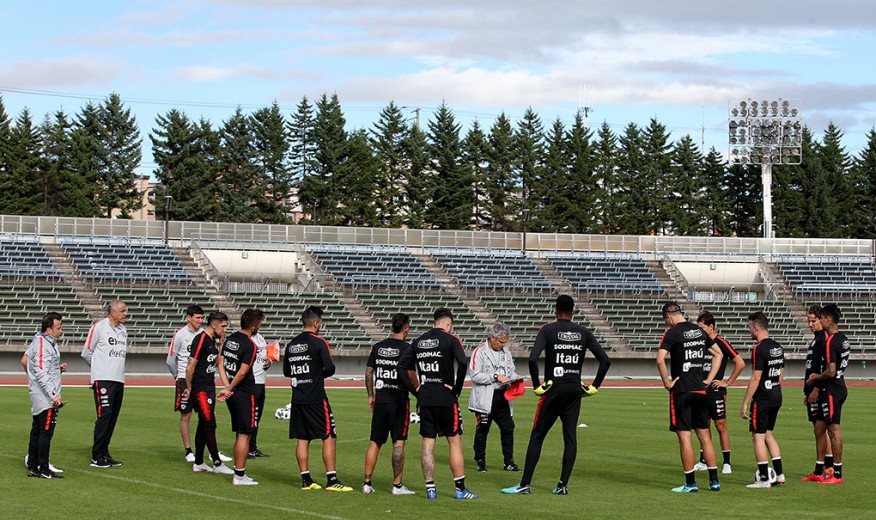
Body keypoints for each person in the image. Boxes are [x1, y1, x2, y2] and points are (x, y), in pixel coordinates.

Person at [503, 295, 611, 496]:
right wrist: (594, 386)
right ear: (573, 312)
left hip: (553, 390)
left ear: (555, 310)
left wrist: (537, 385)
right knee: (570, 437)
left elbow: (533, 359)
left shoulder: (548, 329)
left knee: (537, 436)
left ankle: (525, 484)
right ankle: (562, 485)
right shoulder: (583, 332)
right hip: (574, 391)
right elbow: (605, 361)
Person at [400, 307, 477, 500]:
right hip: (445, 397)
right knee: (455, 442)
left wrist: (415, 390)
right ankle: (460, 489)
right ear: (448, 324)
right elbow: (463, 363)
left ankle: (430, 489)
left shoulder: (418, 341)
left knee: (427, 444)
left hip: (425, 398)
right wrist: (457, 389)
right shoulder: (451, 339)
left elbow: (402, 366)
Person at [655, 302, 723, 493]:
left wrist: (667, 382)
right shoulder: (699, 331)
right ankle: (714, 482)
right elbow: (718, 354)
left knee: (685, 437)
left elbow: (660, 359)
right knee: (705, 437)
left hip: (682, 391)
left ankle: (691, 483)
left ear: (668, 317)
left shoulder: (672, 333)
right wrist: (709, 379)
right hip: (701, 390)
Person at [284, 306, 353, 492]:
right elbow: (330, 368)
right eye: (320, 322)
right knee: (329, 436)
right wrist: (316, 373)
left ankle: (306, 480)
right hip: (316, 397)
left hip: (298, 397)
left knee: (303, 437)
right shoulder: (319, 342)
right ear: (316, 323)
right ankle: (332, 480)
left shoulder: (291, 344)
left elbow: (286, 371)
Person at [362, 313, 416, 495]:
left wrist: (371, 395)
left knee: (374, 442)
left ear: (392, 327)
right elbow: (410, 375)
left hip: (381, 398)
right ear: (406, 329)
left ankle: (367, 483)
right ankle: (397, 485)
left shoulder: (378, 347)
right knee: (398, 442)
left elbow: (369, 373)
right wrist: (419, 393)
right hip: (399, 400)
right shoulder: (407, 349)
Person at [693, 311, 745, 475]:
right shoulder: (699, 343)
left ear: (711, 327)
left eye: (702, 328)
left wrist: (727, 382)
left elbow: (740, 362)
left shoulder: (721, 343)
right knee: (703, 425)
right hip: (701, 390)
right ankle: (702, 461)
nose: (700, 331)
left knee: (720, 425)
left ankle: (727, 462)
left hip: (716, 391)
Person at [217, 308, 263, 486]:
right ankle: (239, 475)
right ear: (253, 326)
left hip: (233, 392)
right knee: (245, 434)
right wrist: (230, 387)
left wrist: (227, 387)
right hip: (244, 393)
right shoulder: (250, 344)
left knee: (240, 433)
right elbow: (243, 372)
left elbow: (220, 363)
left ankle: (239, 473)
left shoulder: (231, 339)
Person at [806, 303, 850, 485]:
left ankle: (836, 474)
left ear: (828, 319)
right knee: (819, 429)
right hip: (835, 387)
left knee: (834, 431)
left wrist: (815, 379)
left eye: (821, 318)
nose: (820, 322)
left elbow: (831, 371)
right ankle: (820, 470)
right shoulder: (843, 338)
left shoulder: (831, 340)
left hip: (832, 389)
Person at [185, 312, 233, 475]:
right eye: (223, 326)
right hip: (200, 389)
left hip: (209, 388)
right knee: (209, 423)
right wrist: (189, 388)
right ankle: (217, 462)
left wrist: (221, 342)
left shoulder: (213, 340)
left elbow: (219, 363)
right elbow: (190, 366)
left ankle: (199, 462)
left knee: (203, 424)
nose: (225, 329)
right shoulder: (201, 339)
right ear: (214, 324)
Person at [741, 311, 785, 488]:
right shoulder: (778, 347)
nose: (749, 331)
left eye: (750, 327)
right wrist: (774, 385)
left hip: (763, 397)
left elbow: (756, 378)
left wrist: (745, 402)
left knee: (757, 437)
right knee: (768, 434)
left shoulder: (759, 348)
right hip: (776, 393)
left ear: (756, 327)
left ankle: (764, 479)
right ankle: (779, 474)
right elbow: (781, 373)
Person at [469, 321, 520, 473]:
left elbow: (511, 370)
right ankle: (480, 461)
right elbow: (475, 375)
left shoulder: (506, 352)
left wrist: (515, 378)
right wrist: (496, 376)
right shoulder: (479, 352)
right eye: (501, 341)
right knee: (483, 429)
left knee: (508, 428)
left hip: (502, 396)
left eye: (505, 342)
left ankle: (508, 462)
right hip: (486, 397)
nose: (503, 345)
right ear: (492, 338)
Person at [82, 300, 128, 469]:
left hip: (118, 379)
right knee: (105, 415)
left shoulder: (123, 330)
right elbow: (86, 353)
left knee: (112, 417)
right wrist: (97, 372)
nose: (125, 314)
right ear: (112, 312)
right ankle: (96, 455)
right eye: (122, 311)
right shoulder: (99, 327)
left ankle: (104, 452)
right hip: (103, 379)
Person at [25, 312, 67, 479]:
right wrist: (53, 395)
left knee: (37, 431)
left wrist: (58, 369)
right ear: (49, 330)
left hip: (40, 394)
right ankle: (43, 468)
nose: (61, 330)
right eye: (59, 327)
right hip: (45, 396)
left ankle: (34, 467)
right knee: (45, 432)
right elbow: (41, 371)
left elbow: (40, 366)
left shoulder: (44, 342)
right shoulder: (43, 343)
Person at [166, 305, 205, 462]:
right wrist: (178, 376)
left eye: (202, 318)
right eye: (197, 318)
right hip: (184, 378)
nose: (200, 321)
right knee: (186, 415)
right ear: (188, 318)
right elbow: (170, 360)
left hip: (201, 379)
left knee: (208, 415)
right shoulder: (180, 335)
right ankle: (188, 450)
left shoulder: (204, 334)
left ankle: (209, 448)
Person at [801, 305, 834, 482]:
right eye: (809, 321)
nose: (811, 324)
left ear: (822, 320)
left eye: (813, 321)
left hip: (820, 392)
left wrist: (815, 389)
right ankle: (820, 469)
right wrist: (807, 392)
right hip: (812, 392)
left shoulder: (823, 339)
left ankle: (826, 469)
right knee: (817, 430)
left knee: (822, 430)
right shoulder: (815, 339)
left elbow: (824, 368)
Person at [248, 331, 272, 459]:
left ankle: (252, 447)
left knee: (256, 418)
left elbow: (265, 355)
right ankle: (246, 448)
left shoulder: (260, 338)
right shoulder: (245, 339)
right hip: (251, 383)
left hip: (261, 382)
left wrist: (269, 362)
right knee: (249, 418)